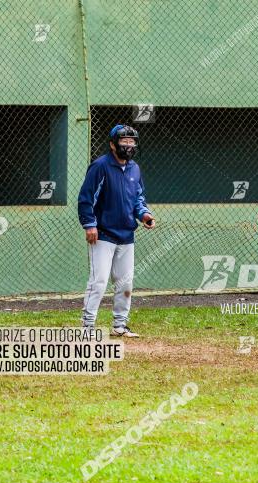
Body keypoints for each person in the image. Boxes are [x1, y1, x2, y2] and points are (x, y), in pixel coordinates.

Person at [78, 124, 155, 337]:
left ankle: (120, 325)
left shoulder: (135, 169)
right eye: (124, 141)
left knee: (125, 282)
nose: (128, 146)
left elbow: (138, 198)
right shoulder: (100, 166)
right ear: (112, 144)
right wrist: (89, 224)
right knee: (99, 281)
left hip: (126, 236)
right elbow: (86, 197)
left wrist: (145, 215)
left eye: (132, 142)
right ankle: (88, 327)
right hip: (102, 234)